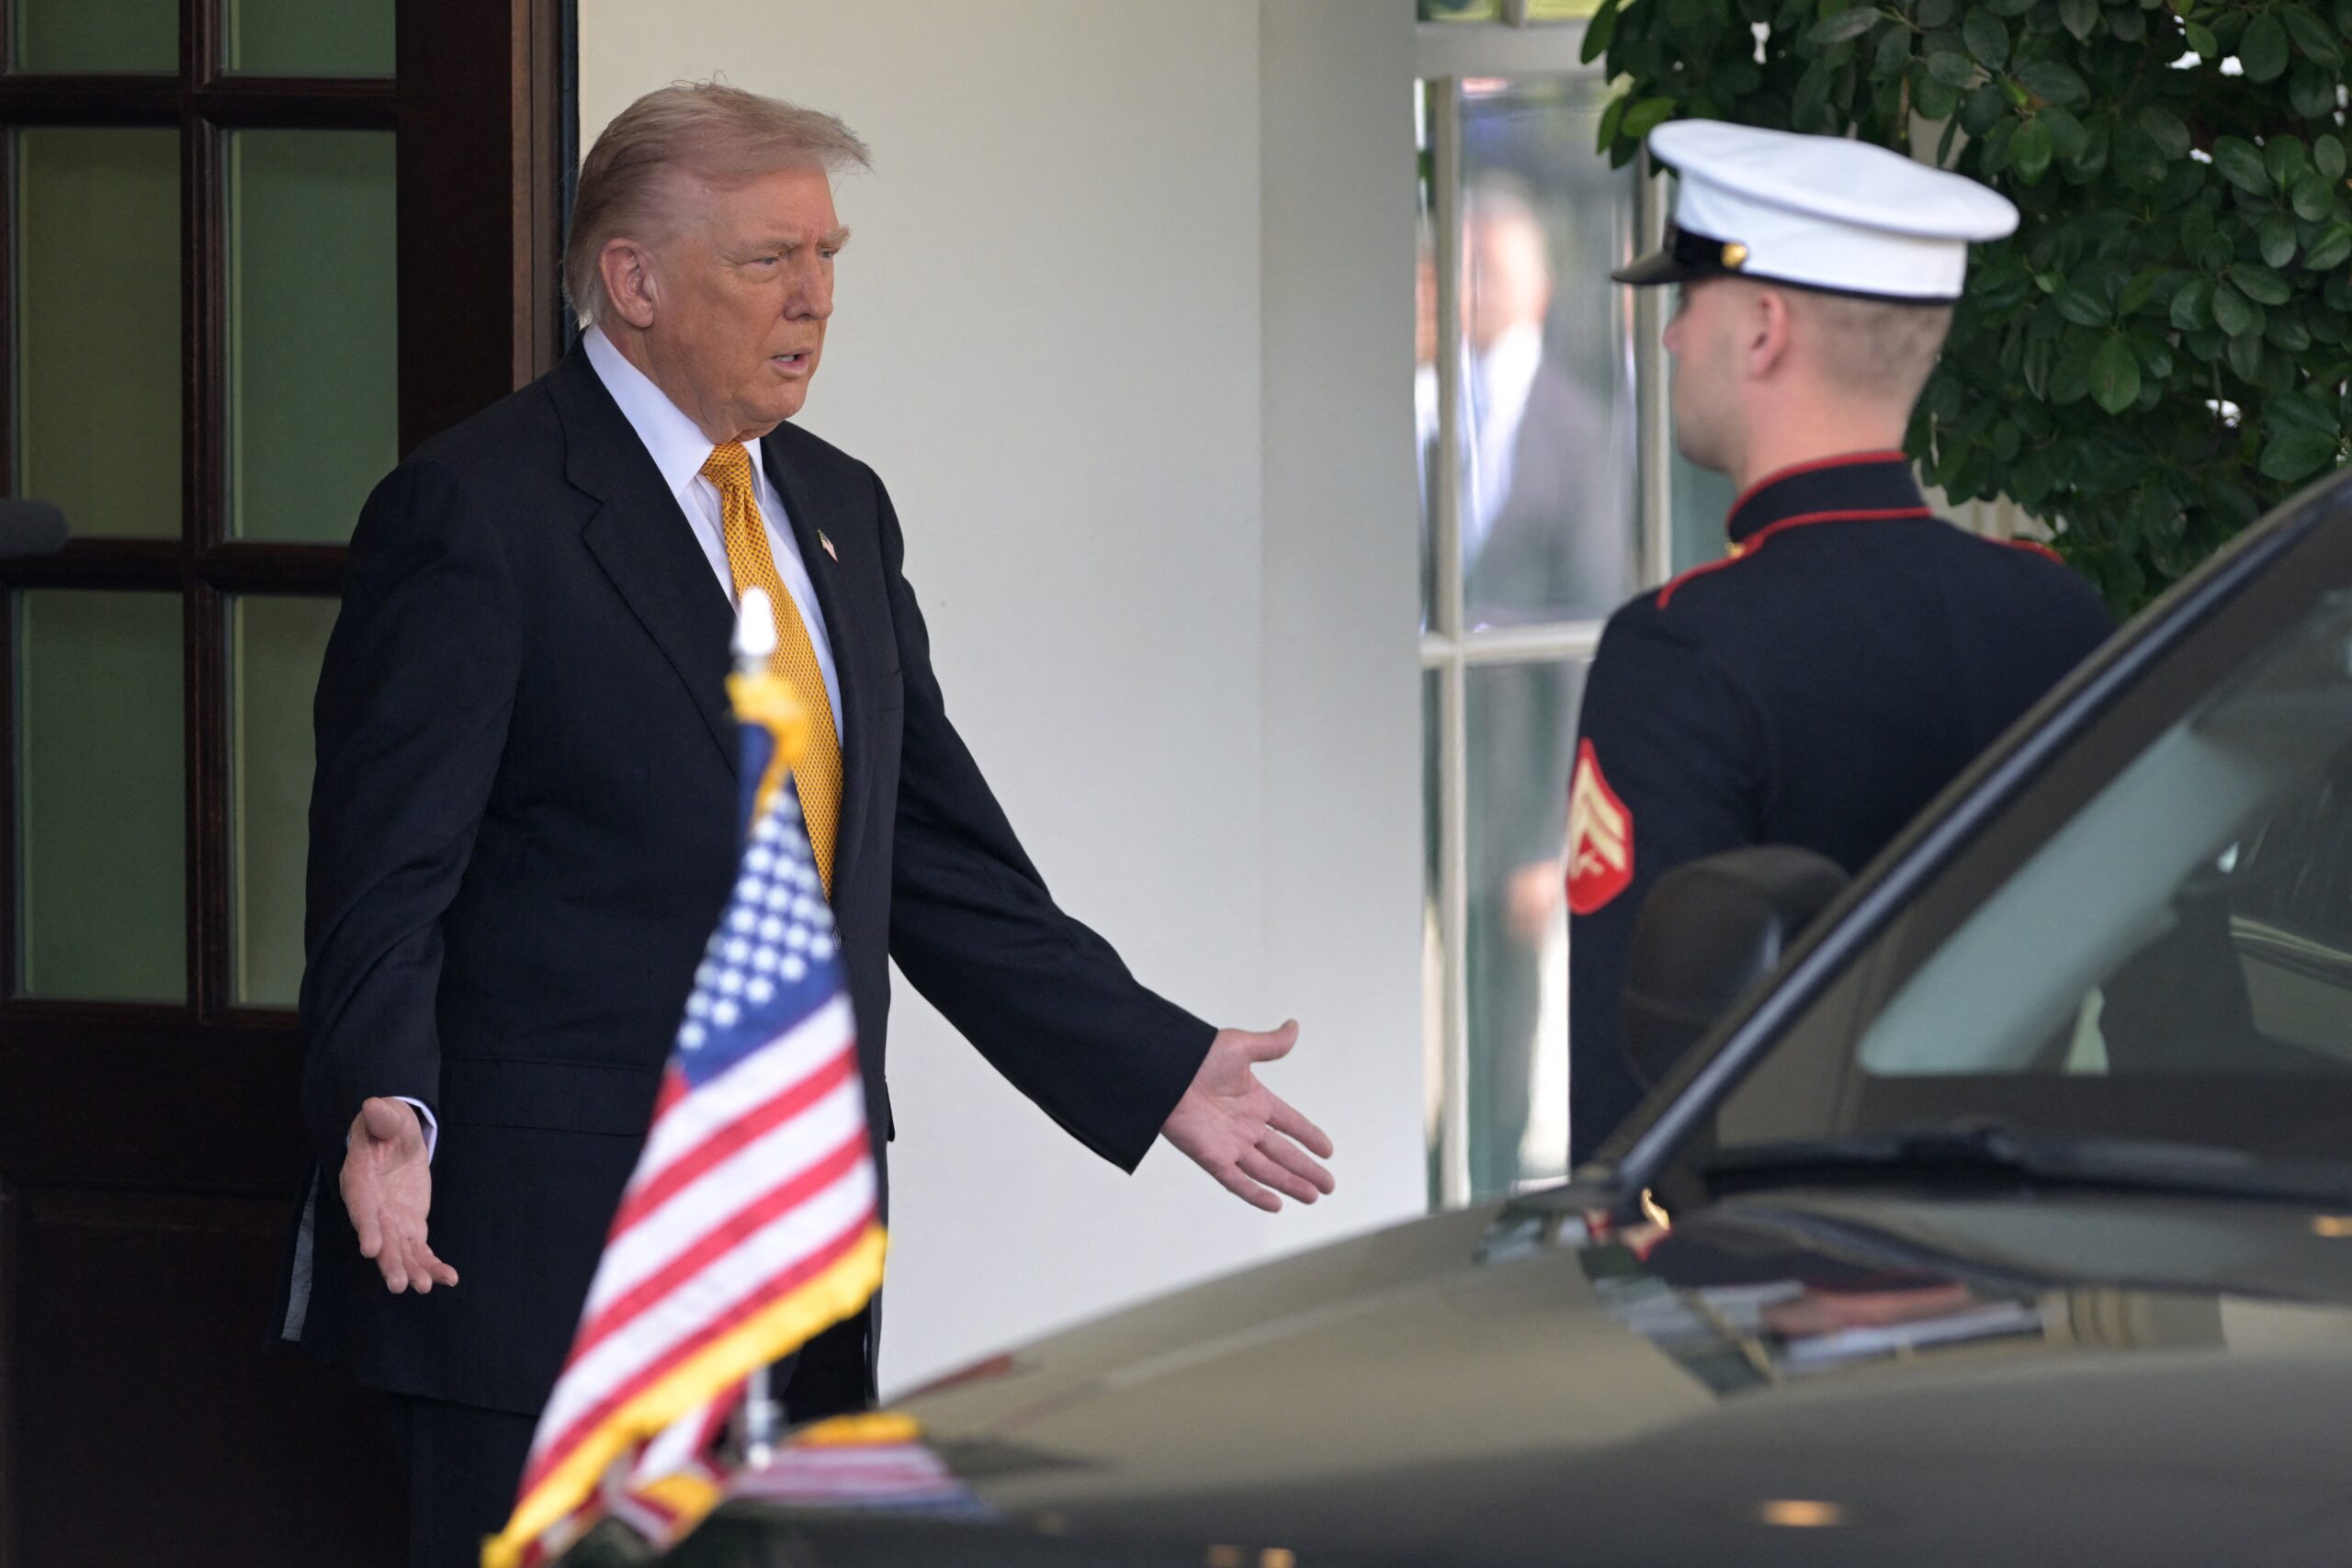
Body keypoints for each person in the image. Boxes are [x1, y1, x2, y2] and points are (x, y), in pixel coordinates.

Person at [273, 84, 1335, 1568]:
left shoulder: (840, 507)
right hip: (559, 1266)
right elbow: (387, 873)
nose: (817, 298)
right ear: (634, 282)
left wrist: (1150, 1061)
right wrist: (386, 1099)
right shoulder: (477, 511)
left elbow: (939, 864)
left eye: (829, 255)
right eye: (771, 259)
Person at [1565, 120, 2115, 1165]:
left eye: (1688, 303)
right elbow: (2162, 985)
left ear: (1764, 328)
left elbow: (1632, 1075)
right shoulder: (2058, 615)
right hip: (2025, 1248)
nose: (1674, 338)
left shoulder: (1682, 651)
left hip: (1778, 1269)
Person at [1416, 185, 1634, 1191]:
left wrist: (1555, 831)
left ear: (1541, 288)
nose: (1473, 292)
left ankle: (1491, 1182)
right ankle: (1417, 1166)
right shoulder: (1417, 403)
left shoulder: (1580, 429)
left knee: (1503, 1002)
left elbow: (1582, 638)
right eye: (1461, 271)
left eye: (1492, 271)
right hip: (1412, 763)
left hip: (1514, 778)